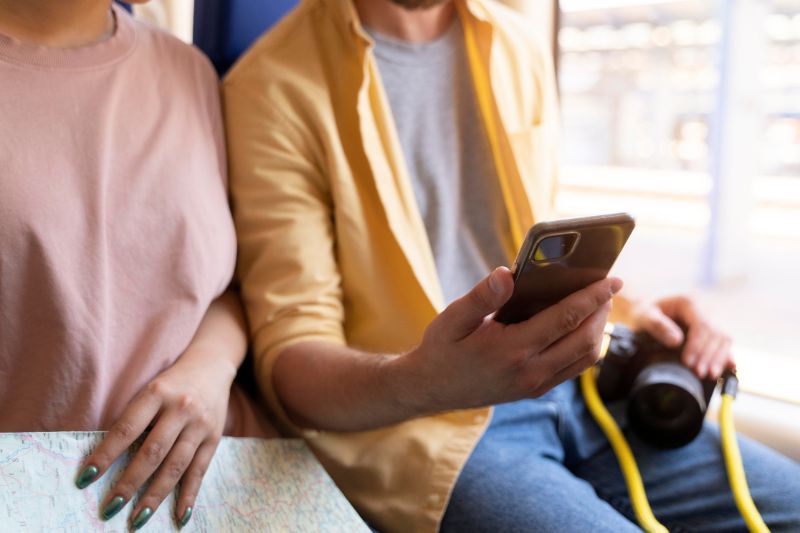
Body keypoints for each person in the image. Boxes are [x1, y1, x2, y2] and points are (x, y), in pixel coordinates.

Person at [223, 0, 800, 531]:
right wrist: (425, 381)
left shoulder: (514, 40)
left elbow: (522, 247)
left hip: (575, 385)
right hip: (428, 427)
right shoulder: (270, 87)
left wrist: (634, 307)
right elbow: (292, 366)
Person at [0, 0, 275, 530]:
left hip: (224, 477)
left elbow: (223, 285)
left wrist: (211, 368)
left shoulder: (189, 71)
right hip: (31, 496)